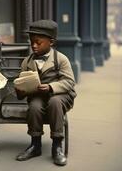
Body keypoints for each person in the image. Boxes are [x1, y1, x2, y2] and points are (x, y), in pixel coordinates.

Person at [15, 20, 77, 166]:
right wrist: (21, 91)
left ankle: (57, 146)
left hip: (61, 96)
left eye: (38, 42)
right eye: (31, 42)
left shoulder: (60, 59)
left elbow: (69, 82)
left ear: (51, 42)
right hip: (38, 96)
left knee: (54, 102)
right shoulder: (27, 61)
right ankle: (35, 144)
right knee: (35, 107)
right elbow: (22, 82)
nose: (34, 45)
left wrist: (50, 87)